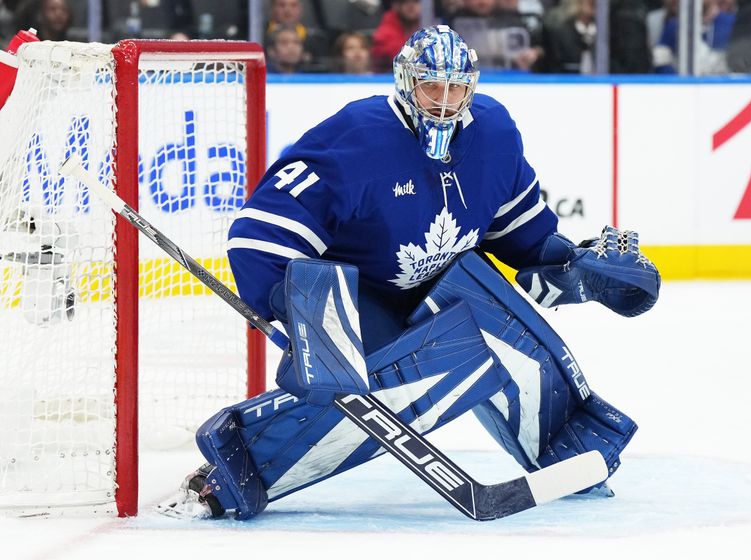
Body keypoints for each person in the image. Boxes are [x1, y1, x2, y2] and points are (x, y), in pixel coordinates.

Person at [158, 25, 658, 520]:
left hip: (441, 282)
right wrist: (300, 312)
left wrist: (573, 268)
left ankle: (567, 447)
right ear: (405, 82)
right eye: (431, 86)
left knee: (490, 317)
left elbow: (519, 234)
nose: (444, 100)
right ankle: (232, 469)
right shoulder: (359, 137)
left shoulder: (495, 135)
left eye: (456, 87)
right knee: (406, 379)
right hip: (356, 296)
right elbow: (259, 233)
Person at [370, 0, 421, 72]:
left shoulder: (429, 24)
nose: (411, 6)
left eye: (415, 1)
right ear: (397, 5)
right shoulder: (387, 26)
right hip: (389, 76)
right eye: (405, 2)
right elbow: (393, 53)